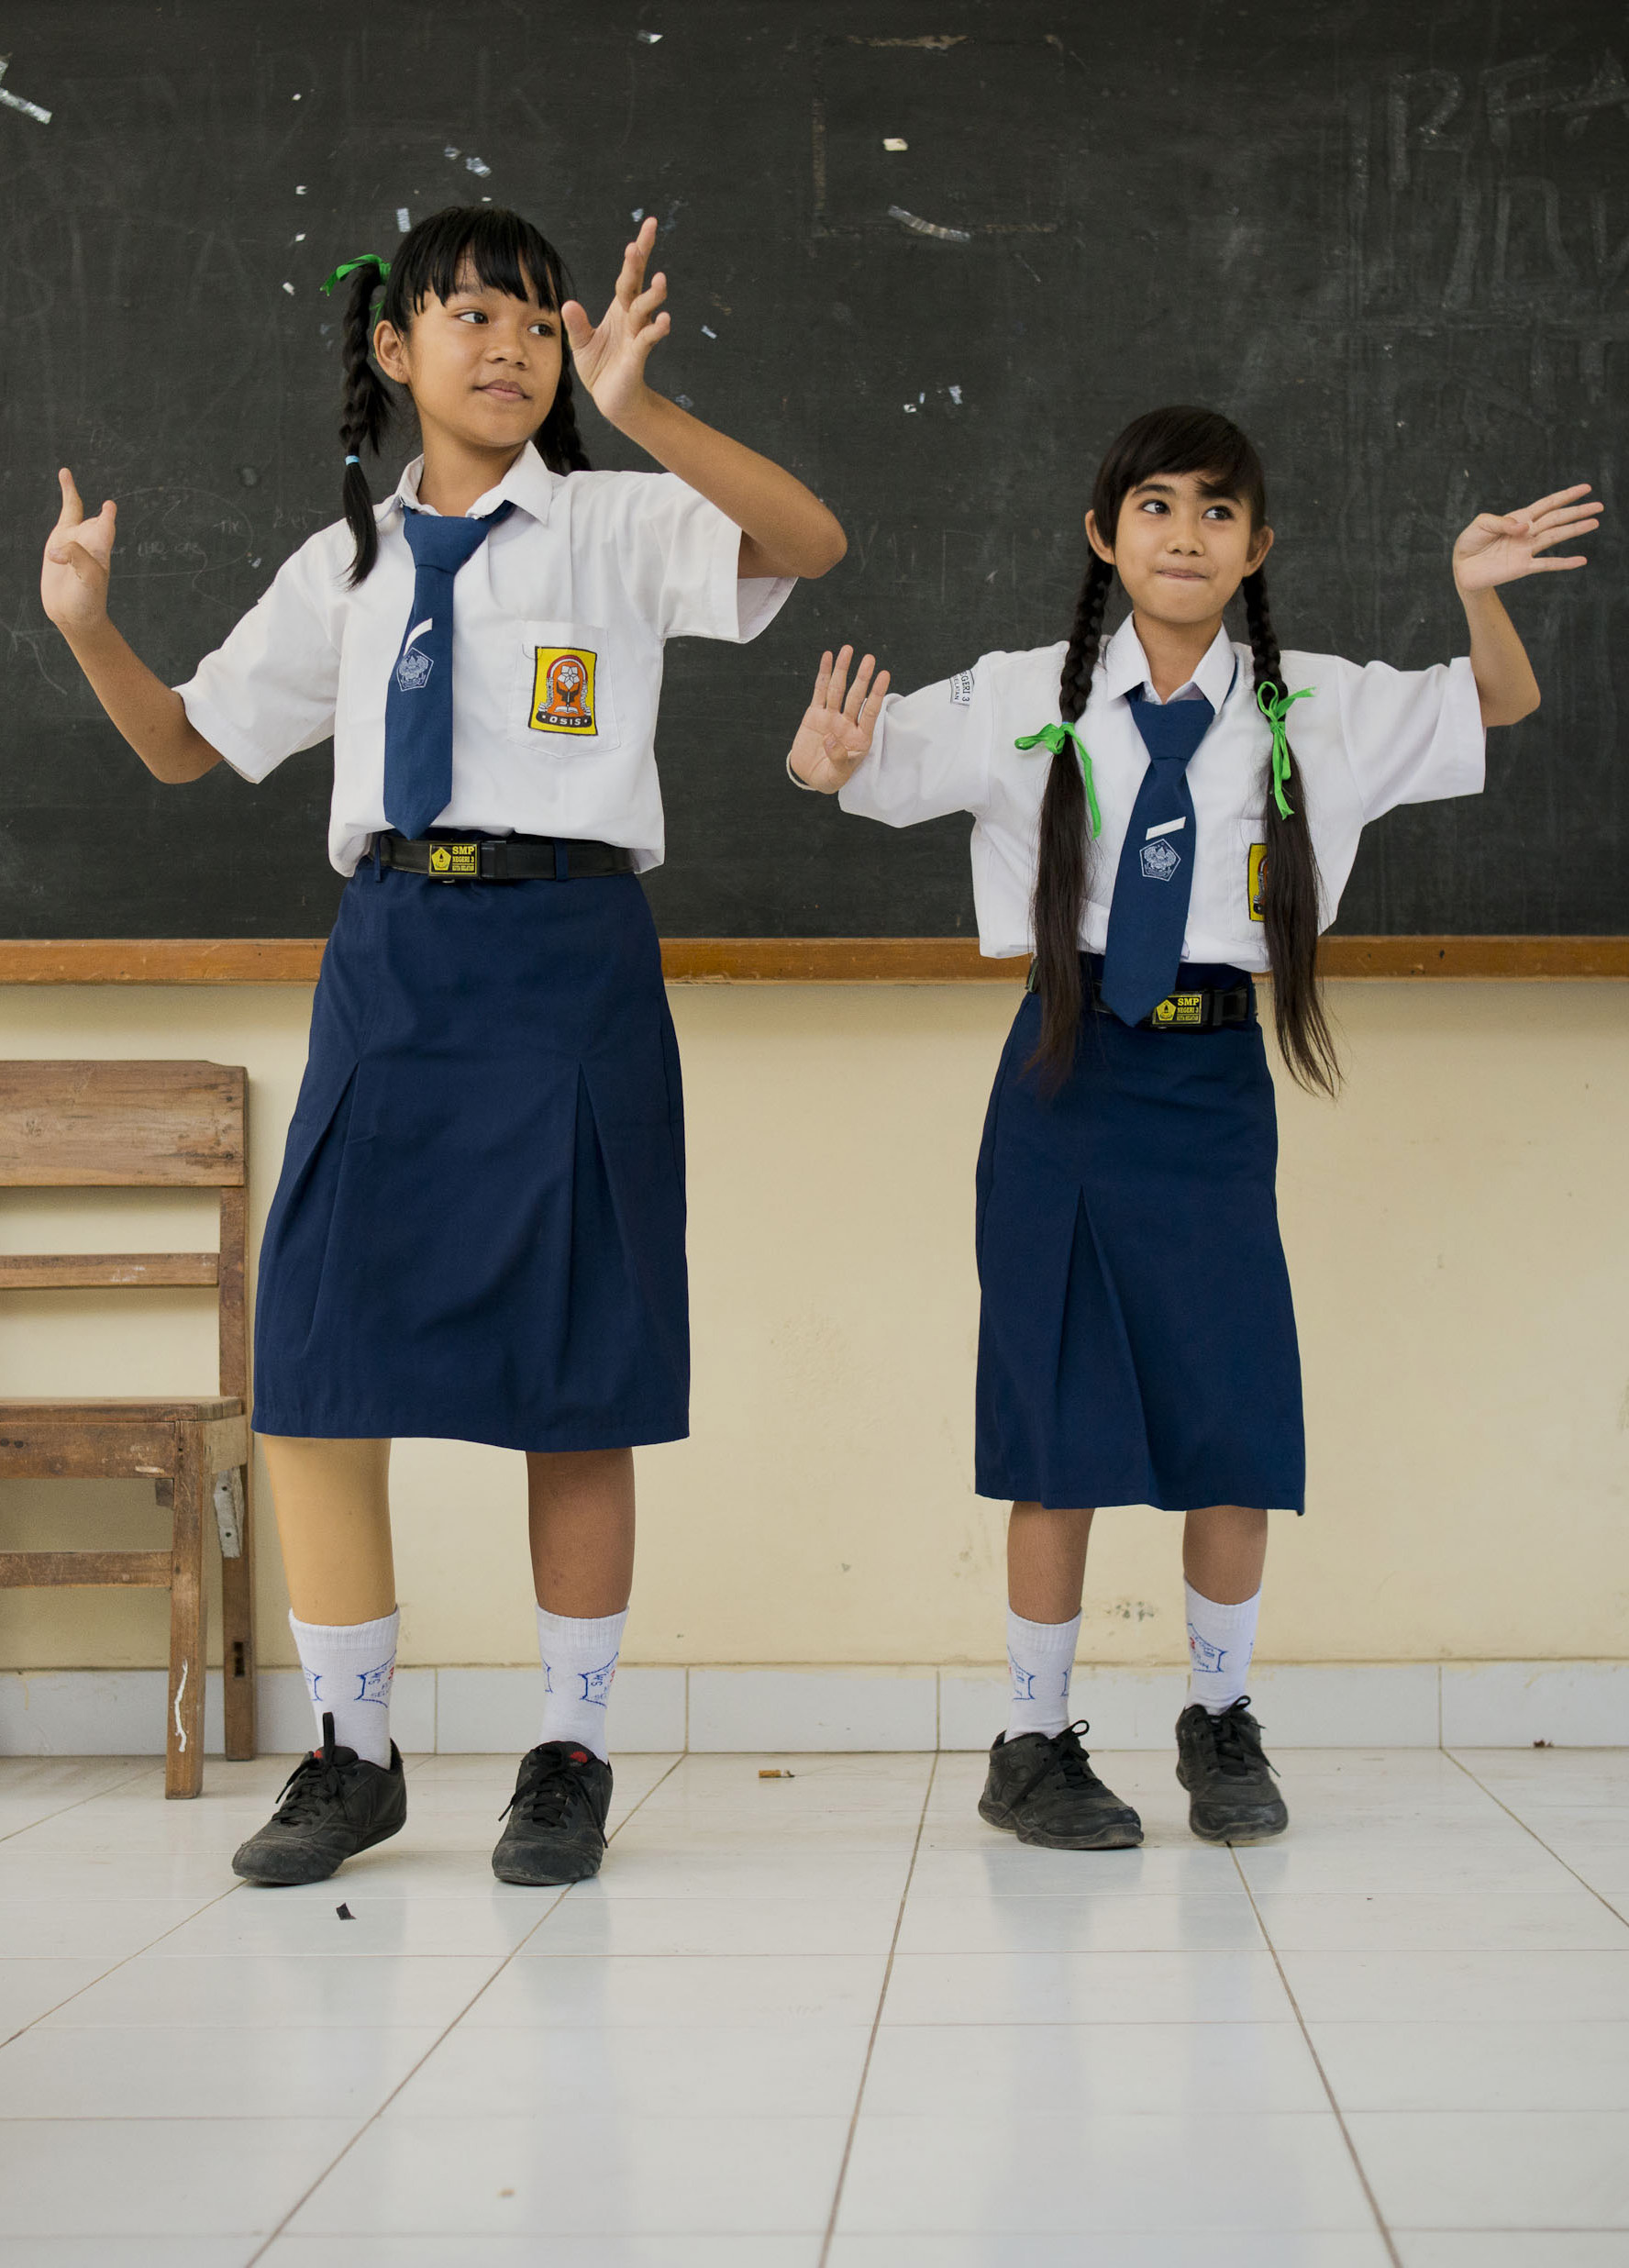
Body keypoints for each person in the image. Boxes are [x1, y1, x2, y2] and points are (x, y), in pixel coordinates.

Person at [41, 204, 845, 1886]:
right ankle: (352, 1755)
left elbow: (811, 543)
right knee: (322, 1367)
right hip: (395, 959)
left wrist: (645, 409)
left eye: (537, 325)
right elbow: (189, 747)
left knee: (579, 1375)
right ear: (394, 350)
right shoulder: (343, 562)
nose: (507, 347)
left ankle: (568, 1753)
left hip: (568, 956)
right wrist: (87, 628)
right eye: (468, 316)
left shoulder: (620, 520)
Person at [782, 404, 1597, 1848]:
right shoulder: (1026, 692)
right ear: (1106, 534)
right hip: (1063, 1077)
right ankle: (1032, 1739)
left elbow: (1499, 707)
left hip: (1214, 1088)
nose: (1184, 533)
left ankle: (1219, 1719)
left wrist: (1477, 597)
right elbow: (860, 769)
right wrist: (821, 764)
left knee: (1229, 1416)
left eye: (1218, 512)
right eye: (1154, 505)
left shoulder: (1316, 704)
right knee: (1057, 1418)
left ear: (1257, 548)